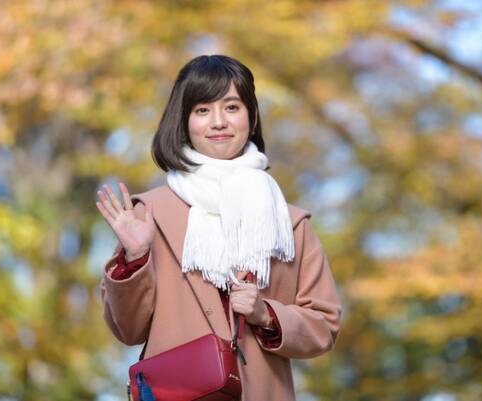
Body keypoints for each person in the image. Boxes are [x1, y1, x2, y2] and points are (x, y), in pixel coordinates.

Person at [96, 54, 342, 401]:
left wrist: (266, 315)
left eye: (231, 107)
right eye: (202, 110)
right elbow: (127, 330)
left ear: (251, 118)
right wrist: (135, 258)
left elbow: (324, 325)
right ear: (184, 122)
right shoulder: (149, 214)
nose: (218, 122)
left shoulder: (290, 224)